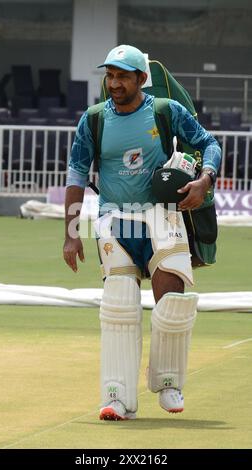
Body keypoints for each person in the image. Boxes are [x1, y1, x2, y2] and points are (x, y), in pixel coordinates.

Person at [63, 45, 221, 421]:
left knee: (172, 305)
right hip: (114, 219)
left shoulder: (166, 111)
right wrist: (71, 232)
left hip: (163, 215)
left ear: (140, 79)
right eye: (110, 76)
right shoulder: (94, 119)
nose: (114, 84)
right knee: (118, 308)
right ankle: (116, 396)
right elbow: (76, 173)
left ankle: (168, 383)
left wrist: (205, 179)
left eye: (122, 77)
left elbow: (208, 144)